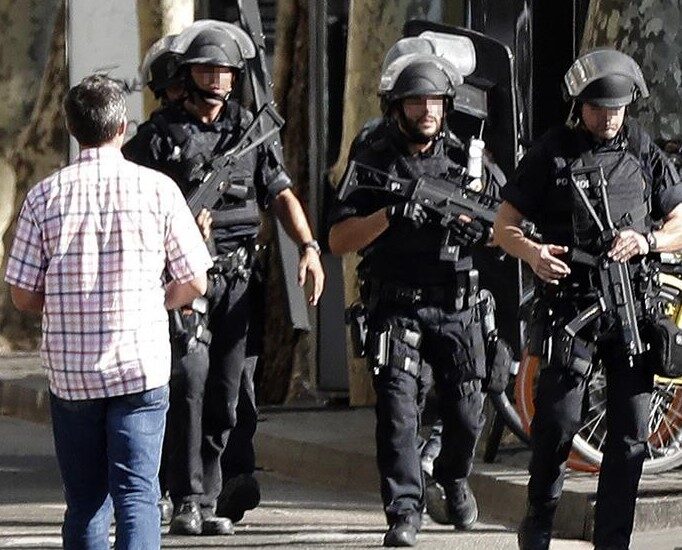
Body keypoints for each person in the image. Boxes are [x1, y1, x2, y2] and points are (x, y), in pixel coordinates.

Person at [123, 22, 324, 536]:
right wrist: (176, 230)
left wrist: (308, 247)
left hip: (236, 279)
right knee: (187, 380)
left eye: (225, 71)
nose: (216, 79)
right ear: (187, 76)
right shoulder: (155, 140)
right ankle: (184, 494)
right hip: (180, 281)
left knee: (227, 390)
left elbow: (280, 194)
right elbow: (128, 208)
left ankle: (210, 495)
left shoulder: (250, 133)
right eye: (207, 69)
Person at [4, 75, 212, 549]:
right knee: (137, 494)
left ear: (72, 129)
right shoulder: (158, 191)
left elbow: (21, 293)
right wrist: (156, 302)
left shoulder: (44, 197)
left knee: (84, 499)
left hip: (72, 375)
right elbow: (194, 281)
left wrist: (60, 303)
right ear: (122, 125)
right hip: (139, 367)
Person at [493, 48, 682, 550]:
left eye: (618, 108)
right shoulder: (551, 153)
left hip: (632, 312)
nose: (610, 117)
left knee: (631, 434)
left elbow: (680, 219)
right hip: (571, 307)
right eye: (600, 108)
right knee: (556, 424)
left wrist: (648, 241)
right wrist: (533, 254)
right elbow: (504, 225)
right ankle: (540, 517)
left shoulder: (641, 148)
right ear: (580, 105)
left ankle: (613, 540)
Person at [329, 41, 502, 547]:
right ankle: (404, 511)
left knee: (468, 410)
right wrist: (391, 215)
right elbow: (338, 239)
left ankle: (451, 477)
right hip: (398, 306)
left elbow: (508, 226)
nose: (426, 111)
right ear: (396, 105)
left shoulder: (467, 158)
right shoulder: (373, 157)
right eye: (415, 102)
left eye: (435, 102)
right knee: (398, 413)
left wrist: (484, 234)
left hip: (457, 304)